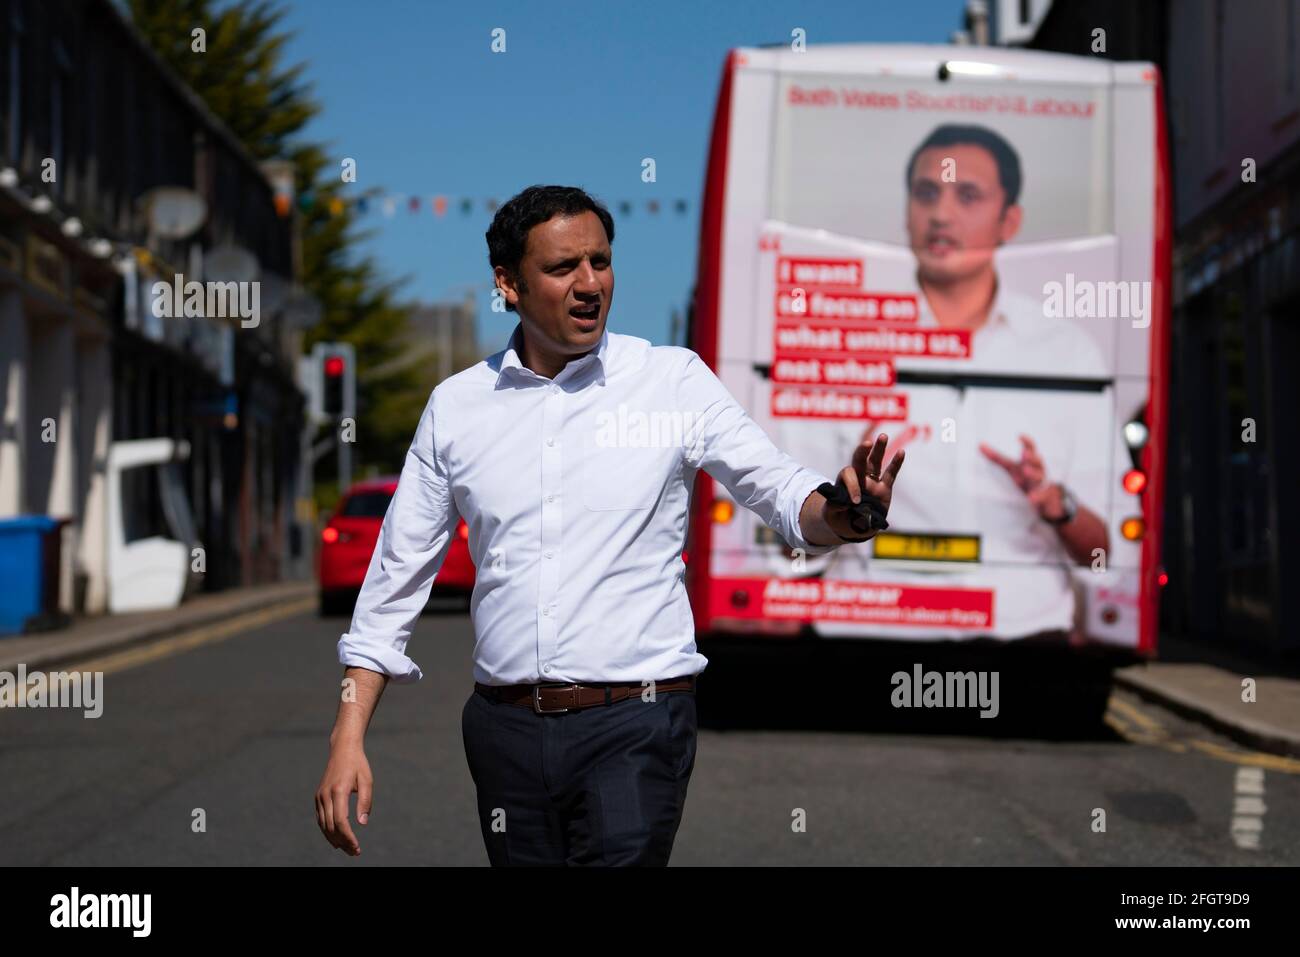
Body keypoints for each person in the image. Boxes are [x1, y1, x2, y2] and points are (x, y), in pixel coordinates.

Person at [315, 184, 906, 865]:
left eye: (600, 261)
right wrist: (346, 736)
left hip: (636, 723)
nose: (590, 282)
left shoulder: (672, 381)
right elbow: (395, 579)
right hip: (503, 732)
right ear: (508, 283)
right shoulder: (457, 407)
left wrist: (845, 511)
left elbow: (778, 489)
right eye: (563, 267)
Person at [818, 124, 1113, 638]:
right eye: (926, 193)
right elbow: (784, 535)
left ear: (1009, 221)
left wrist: (1056, 505)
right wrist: (844, 498)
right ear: (906, 212)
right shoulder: (845, 344)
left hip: (1025, 639)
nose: (941, 214)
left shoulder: (1068, 353)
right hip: (868, 629)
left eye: (967, 195)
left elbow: (1105, 554)